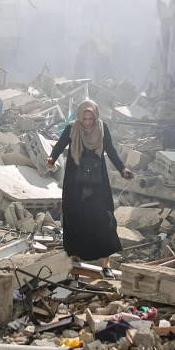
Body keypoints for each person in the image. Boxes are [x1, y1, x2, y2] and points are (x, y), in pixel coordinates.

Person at [47, 100, 133, 275]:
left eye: (91, 119)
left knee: (103, 219)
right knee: (74, 218)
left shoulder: (102, 128)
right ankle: (75, 258)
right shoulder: (72, 128)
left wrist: (122, 169)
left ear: (95, 117)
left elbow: (111, 150)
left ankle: (105, 265)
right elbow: (60, 145)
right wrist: (52, 158)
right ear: (79, 117)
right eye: (84, 119)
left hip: (97, 181)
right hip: (75, 181)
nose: (87, 123)